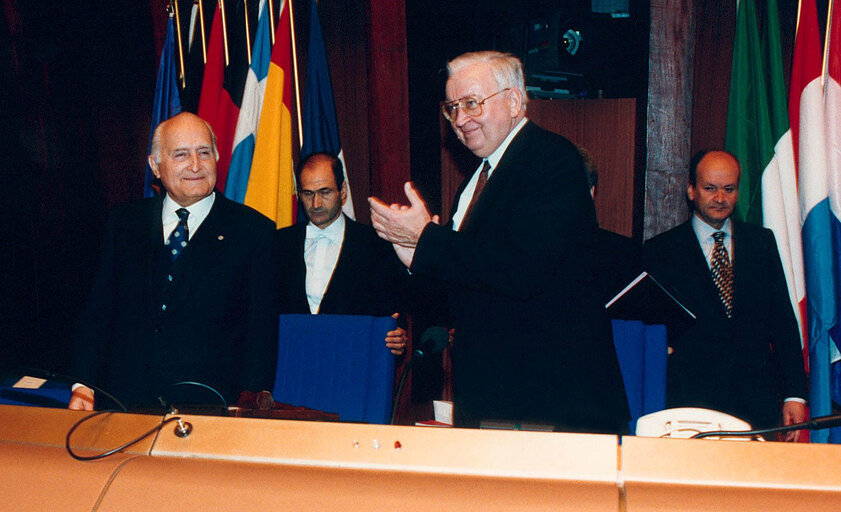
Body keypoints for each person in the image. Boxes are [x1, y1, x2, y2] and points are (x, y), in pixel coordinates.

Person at [368, 51, 629, 432]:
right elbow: (463, 292)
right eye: (452, 108)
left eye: (472, 103)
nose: (460, 120)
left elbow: (523, 271)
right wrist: (415, 258)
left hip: (552, 404)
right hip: (493, 401)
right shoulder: (475, 183)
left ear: (514, 101)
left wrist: (429, 240)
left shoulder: (552, 160)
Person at [69, 112, 278, 411]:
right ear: (155, 166)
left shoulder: (254, 232)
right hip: (124, 405)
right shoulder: (124, 223)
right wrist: (83, 385)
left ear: (218, 156)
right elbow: (98, 312)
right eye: (181, 154)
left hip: (212, 410)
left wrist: (250, 403)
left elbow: (261, 334)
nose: (195, 165)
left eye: (204, 152)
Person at [642, 150, 807, 439]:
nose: (720, 198)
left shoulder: (761, 243)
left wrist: (794, 394)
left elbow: (782, 323)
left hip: (756, 405)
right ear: (691, 190)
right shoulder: (660, 252)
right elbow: (647, 329)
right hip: (689, 408)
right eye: (710, 188)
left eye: (728, 189)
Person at [276, 152, 409, 355]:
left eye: (325, 192)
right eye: (308, 193)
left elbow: (393, 316)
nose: (316, 204)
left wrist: (397, 336)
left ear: (343, 191)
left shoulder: (377, 246)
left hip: (353, 366)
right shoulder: (278, 245)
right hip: (291, 367)